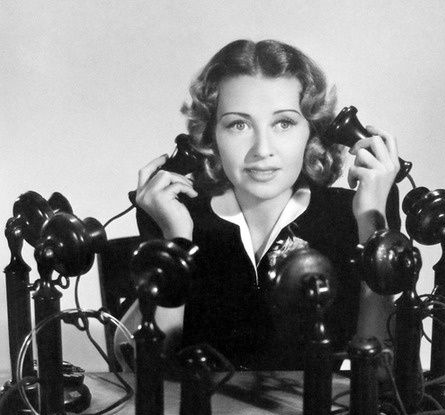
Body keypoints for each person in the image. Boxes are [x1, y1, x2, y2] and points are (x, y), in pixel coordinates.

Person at [117, 39, 401, 372]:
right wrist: (175, 241)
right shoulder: (178, 214)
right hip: (200, 406)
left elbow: (381, 373)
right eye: (238, 125)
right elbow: (137, 370)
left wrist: (372, 223)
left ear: (312, 132)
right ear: (211, 136)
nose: (262, 149)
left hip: (320, 406)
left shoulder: (353, 213)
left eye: (284, 123)